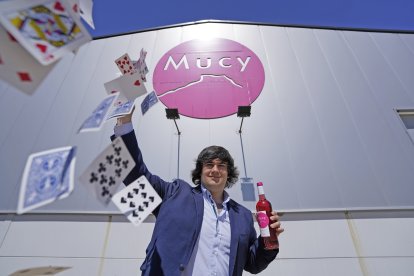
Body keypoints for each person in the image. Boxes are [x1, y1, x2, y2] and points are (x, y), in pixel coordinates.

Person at [113, 109, 284, 276]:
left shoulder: (244, 216)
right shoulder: (175, 194)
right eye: (209, 165)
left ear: (228, 173)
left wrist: (269, 240)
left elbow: (253, 264)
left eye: (222, 166)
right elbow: (135, 176)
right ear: (200, 171)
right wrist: (124, 124)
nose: (215, 170)